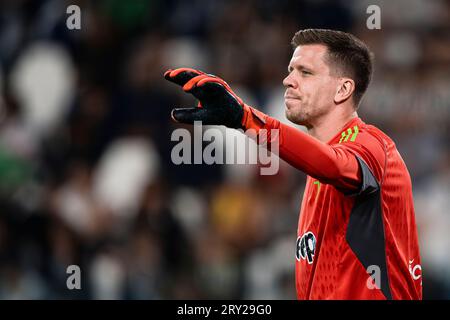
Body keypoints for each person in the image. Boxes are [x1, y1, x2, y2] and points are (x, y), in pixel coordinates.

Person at [164, 28, 422, 300]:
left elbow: (335, 165)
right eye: (290, 70)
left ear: (343, 88)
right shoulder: (315, 173)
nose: (288, 80)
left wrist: (245, 118)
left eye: (305, 72)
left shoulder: (373, 146)